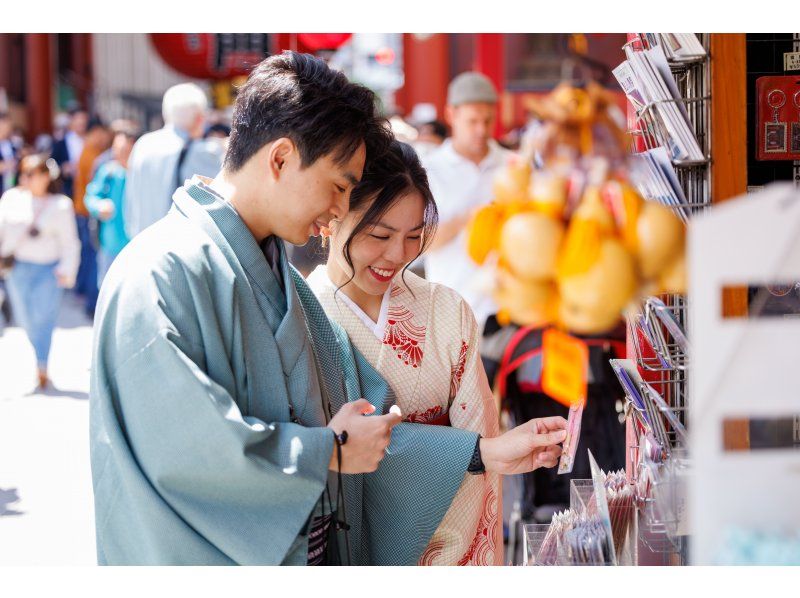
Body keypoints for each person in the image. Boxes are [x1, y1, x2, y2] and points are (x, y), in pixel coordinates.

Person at [89, 51, 567, 566]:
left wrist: (479, 452)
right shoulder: (160, 273)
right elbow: (188, 454)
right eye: (339, 186)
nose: (340, 209)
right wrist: (327, 453)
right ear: (280, 159)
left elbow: (372, 430)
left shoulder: (275, 275)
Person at [307, 140, 507, 565]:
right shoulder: (304, 317)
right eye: (379, 235)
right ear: (332, 217)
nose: (397, 256)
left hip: (447, 553)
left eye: (414, 237)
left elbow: (482, 446)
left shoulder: (446, 310)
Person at [422, 72, 512, 332]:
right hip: (451, 312)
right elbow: (421, 242)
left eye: (488, 120)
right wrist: (470, 218)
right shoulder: (430, 170)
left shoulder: (512, 165)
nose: (482, 130)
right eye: (472, 121)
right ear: (451, 115)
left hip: (506, 313)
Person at [0, 155, 80, 389]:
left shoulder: (60, 204)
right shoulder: (11, 199)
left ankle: (42, 364)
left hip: (48, 269)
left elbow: (70, 242)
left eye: (32, 174)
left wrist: (67, 269)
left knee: (44, 317)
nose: (27, 179)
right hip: (18, 268)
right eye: (24, 174)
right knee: (25, 318)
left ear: (46, 177)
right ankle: (38, 355)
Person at [124, 82, 224, 239]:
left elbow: (129, 201)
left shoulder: (143, 144)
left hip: (140, 243)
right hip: (176, 249)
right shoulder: (200, 151)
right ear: (199, 118)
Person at [84, 130, 136, 287]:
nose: (119, 154)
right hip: (110, 244)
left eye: (124, 150)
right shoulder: (108, 172)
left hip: (135, 245)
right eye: (116, 149)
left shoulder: (142, 174)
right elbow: (90, 196)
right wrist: (98, 206)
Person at [73, 118, 112, 316]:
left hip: (82, 209)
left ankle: (83, 293)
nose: (106, 137)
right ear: (96, 131)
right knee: (91, 258)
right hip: (86, 210)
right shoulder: (92, 153)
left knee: (88, 256)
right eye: (103, 132)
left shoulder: (88, 149)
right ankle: (91, 302)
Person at [50, 107, 88, 200]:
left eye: (83, 119)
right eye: (78, 119)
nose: (81, 122)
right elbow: (51, 162)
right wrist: (62, 168)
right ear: (71, 121)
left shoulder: (91, 141)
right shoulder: (61, 143)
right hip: (67, 188)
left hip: (86, 186)